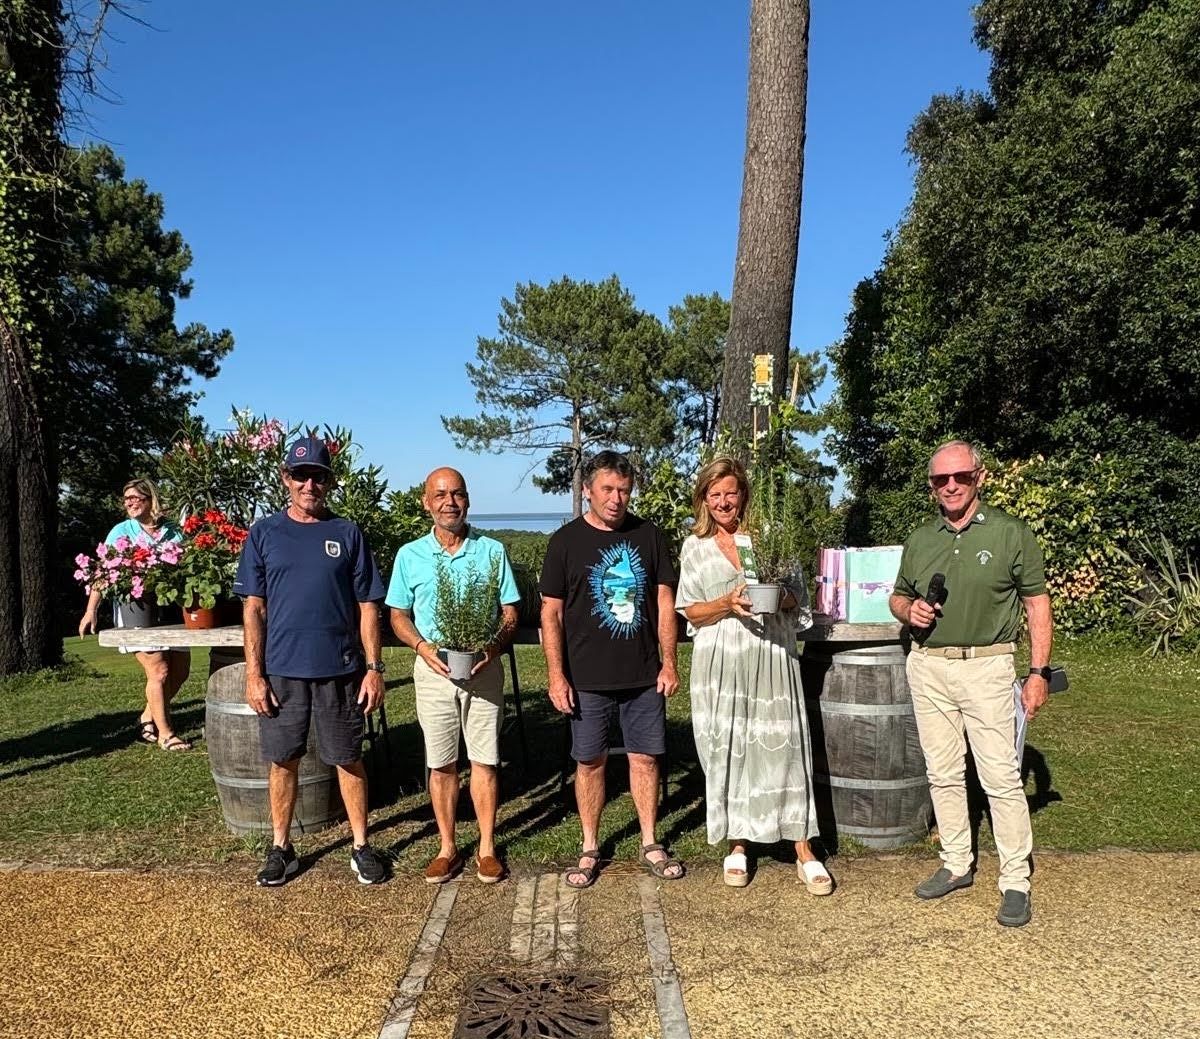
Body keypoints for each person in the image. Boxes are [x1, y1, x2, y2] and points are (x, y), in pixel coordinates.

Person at [889, 439, 1053, 928]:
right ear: (932, 486)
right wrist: (909, 610)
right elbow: (898, 596)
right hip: (928, 666)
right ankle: (956, 862)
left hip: (987, 667)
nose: (951, 485)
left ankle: (1015, 880)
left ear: (979, 477)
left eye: (960, 476)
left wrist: (1038, 673)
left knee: (1000, 776)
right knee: (942, 772)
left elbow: (1037, 604)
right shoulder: (921, 538)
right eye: (941, 479)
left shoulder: (1009, 533)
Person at [234, 435, 389, 887]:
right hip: (282, 672)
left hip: (341, 670)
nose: (309, 485)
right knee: (283, 760)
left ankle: (361, 846)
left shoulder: (347, 533)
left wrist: (374, 669)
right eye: (300, 476)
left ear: (329, 482)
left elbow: (368, 606)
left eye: (318, 477)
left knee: (348, 758)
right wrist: (254, 675)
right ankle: (281, 849)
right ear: (286, 478)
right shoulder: (264, 533)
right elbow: (253, 608)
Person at [675, 457, 832, 892]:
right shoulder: (695, 547)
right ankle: (738, 844)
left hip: (772, 655)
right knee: (729, 748)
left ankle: (803, 847)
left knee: (784, 745)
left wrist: (775, 597)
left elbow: (798, 598)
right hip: (720, 663)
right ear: (704, 499)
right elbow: (691, 612)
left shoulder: (771, 537)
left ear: (744, 494)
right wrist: (727, 603)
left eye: (731, 492)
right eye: (715, 494)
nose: (724, 501)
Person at [540, 450, 683, 889]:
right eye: (607, 489)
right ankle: (589, 846)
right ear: (588, 490)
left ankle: (649, 840)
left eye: (624, 490)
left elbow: (664, 603)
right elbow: (551, 614)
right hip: (585, 678)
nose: (616, 499)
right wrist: (556, 675)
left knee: (645, 759)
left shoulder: (649, 536)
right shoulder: (564, 542)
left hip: (643, 675)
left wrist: (670, 662)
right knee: (589, 762)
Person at [387, 467, 520, 885]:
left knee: (485, 759)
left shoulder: (492, 551)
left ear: (468, 500)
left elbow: (510, 613)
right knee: (441, 763)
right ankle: (447, 848)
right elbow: (398, 615)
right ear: (426, 502)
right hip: (433, 673)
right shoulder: (409, 555)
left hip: (483, 671)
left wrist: (492, 648)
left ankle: (486, 848)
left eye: (458, 494)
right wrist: (422, 648)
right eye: (441, 495)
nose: (450, 502)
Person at [78, 478, 193, 751]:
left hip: (171, 608)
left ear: (150, 499)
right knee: (159, 670)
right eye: (126, 498)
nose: (129, 503)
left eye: (134, 497)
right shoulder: (121, 531)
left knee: (180, 671)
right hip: (136, 609)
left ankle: (147, 716)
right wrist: (91, 610)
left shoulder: (173, 530)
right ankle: (166, 734)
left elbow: (190, 564)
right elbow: (104, 572)